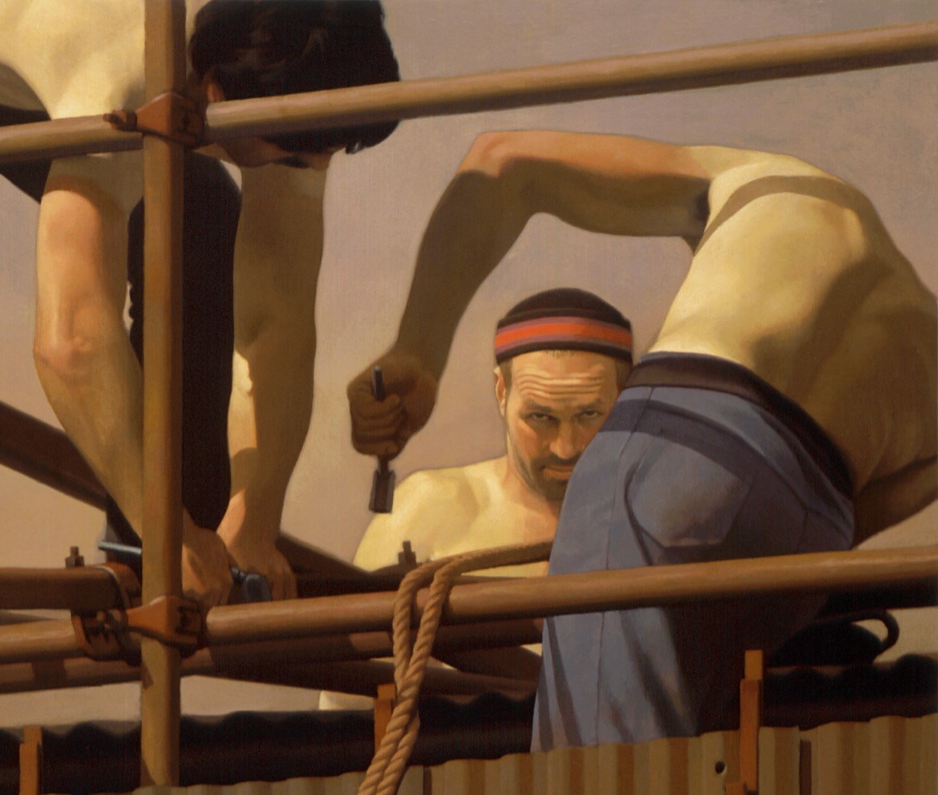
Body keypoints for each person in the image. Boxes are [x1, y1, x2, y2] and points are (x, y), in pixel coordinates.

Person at [0, 0, 400, 635]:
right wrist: (165, 528)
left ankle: (158, 542)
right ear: (215, 91)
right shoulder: (121, 71)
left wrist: (252, 521)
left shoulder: (287, 60)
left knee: (201, 216)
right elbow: (71, 340)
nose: (307, 170)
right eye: (292, 158)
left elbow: (276, 318)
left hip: (3, 52)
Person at [349, 130, 936, 746]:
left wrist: (416, 349)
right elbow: (855, 524)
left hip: (683, 443)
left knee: (601, 767)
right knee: (681, 756)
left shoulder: (782, 189)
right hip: (814, 524)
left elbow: (502, 162)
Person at [351, 287, 632, 579]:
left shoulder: (650, 516)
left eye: (588, 415)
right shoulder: (426, 510)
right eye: (540, 417)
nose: (565, 449)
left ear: (624, 396)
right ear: (502, 392)